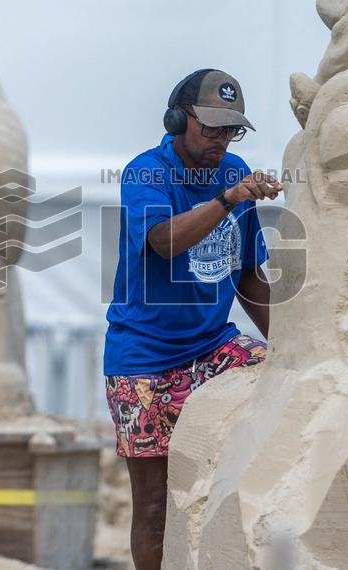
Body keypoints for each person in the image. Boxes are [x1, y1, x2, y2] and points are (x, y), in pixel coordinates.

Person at [104, 69, 282, 568]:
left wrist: (288, 346)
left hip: (213, 347)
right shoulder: (147, 173)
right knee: (155, 506)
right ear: (180, 120)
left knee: (278, 382)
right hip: (142, 360)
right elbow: (164, 242)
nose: (222, 141)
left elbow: (248, 274)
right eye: (212, 128)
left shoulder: (235, 170)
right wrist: (229, 199)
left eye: (232, 131)